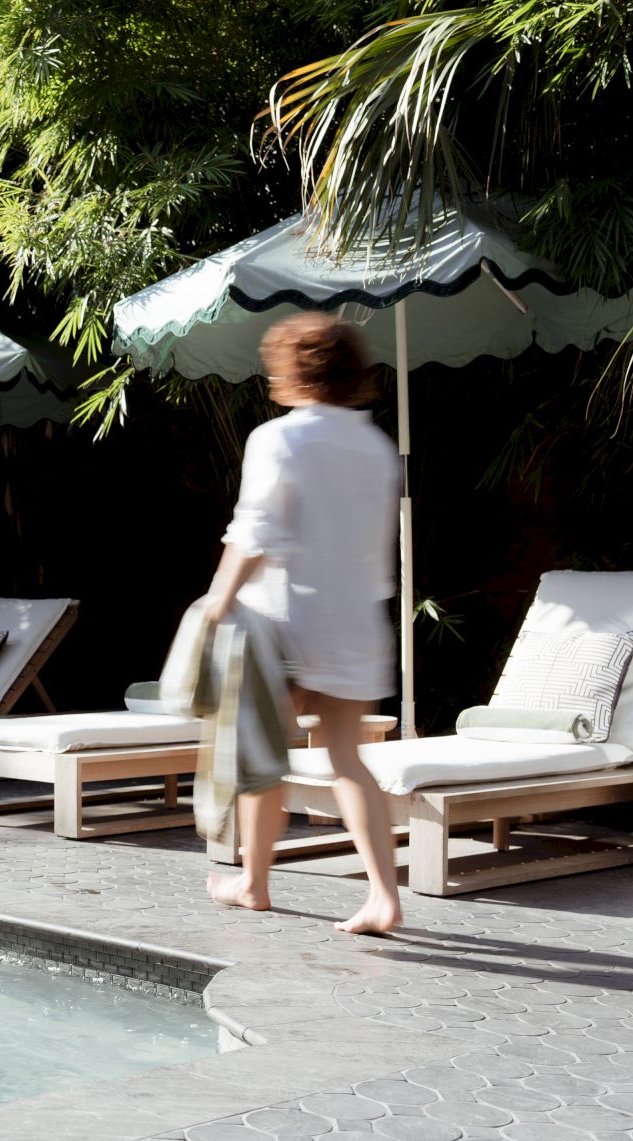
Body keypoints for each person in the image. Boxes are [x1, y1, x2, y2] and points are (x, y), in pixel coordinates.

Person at [203, 311, 403, 935]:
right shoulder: (376, 447)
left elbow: (255, 532)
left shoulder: (280, 439)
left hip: (282, 621)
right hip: (356, 622)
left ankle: (254, 883)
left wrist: (218, 599)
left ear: (292, 372)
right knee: (348, 760)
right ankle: (382, 897)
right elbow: (377, 552)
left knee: (265, 757)